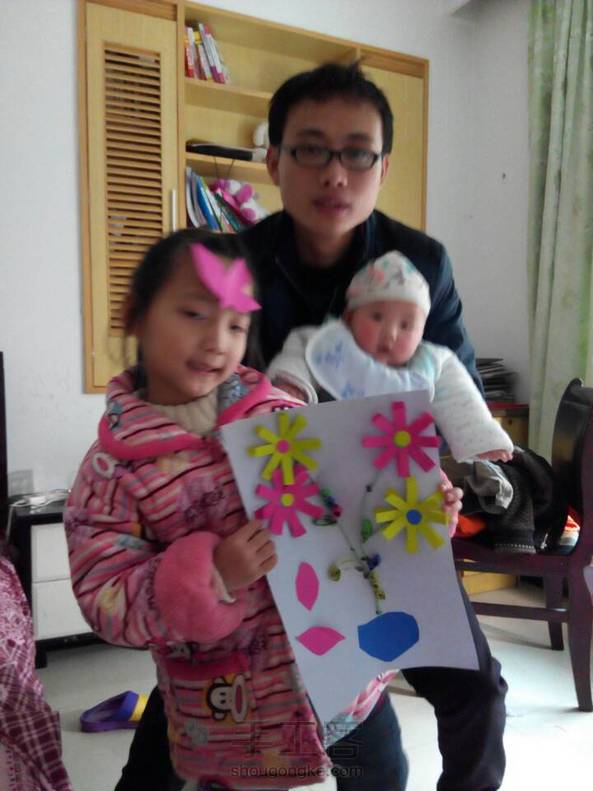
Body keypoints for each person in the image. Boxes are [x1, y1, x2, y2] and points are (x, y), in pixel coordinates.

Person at [117, 63, 507, 791]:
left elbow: (451, 391)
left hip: (384, 519)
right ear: (273, 160)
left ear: (383, 167)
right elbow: (183, 392)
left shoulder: (420, 265)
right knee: (193, 694)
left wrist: (444, 479)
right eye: (311, 149)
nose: (335, 173)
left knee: (475, 688)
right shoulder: (233, 264)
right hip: (260, 522)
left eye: (357, 152)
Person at [67, 229, 461, 791]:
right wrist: (212, 575)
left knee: (382, 774)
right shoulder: (113, 471)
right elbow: (107, 599)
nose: (217, 341)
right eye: (194, 314)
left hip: (349, 677)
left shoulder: (282, 418)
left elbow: (355, 506)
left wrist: (420, 506)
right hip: (229, 709)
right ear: (136, 315)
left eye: (236, 325)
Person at [268, 249, 514, 464]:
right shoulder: (331, 347)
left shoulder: (431, 362)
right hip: (328, 458)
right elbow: (297, 355)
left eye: (406, 325)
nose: (390, 334)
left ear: (422, 332)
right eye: (377, 317)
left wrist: (482, 439)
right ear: (349, 318)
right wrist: (291, 386)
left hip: (398, 466)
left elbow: (461, 399)